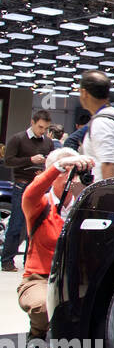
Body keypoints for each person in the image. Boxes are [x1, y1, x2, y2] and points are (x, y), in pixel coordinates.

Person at [18, 148, 94, 348]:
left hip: (75, 278)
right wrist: (59, 166)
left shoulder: (85, 207)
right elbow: (32, 191)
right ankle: (37, 332)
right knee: (41, 305)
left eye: (74, 170)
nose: (71, 176)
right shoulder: (40, 205)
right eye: (65, 170)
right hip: (40, 277)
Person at [2, 109, 53, 273]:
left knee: (36, 226)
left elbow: (51, 161)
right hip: (21, 185)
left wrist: (44, 169)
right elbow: (8, 161)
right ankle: (7, 260)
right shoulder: (18, 139)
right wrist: (30, 160)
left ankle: (30, 262)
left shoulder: (48, 142)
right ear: (32, 122)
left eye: (45, 128)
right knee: (17, 224)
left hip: (39, 187)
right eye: (40, 127)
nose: (42, 131)